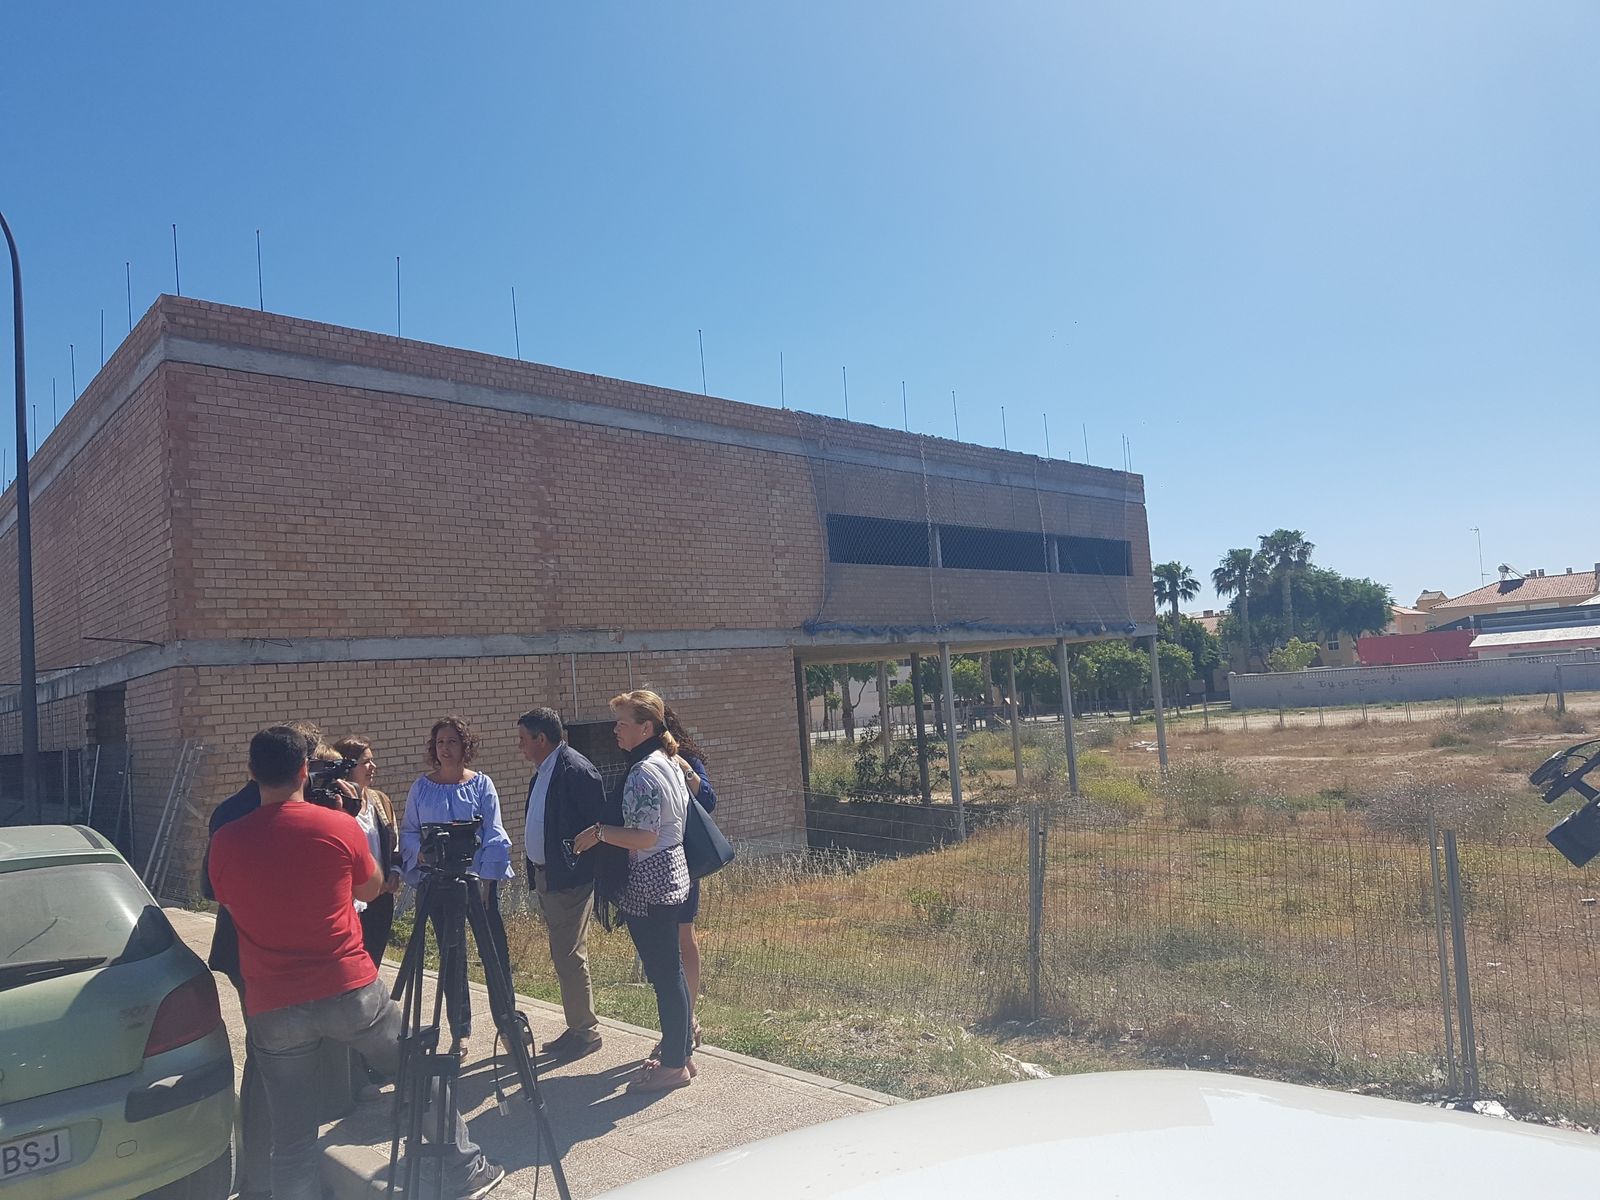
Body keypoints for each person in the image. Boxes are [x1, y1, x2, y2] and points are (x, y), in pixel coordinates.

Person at [209, 726, 504, 1200]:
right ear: (305, 770)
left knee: (292, 1138)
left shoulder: (226, 838)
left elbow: (225, 898)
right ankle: (463, 1164)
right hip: (347, 986)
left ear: (250, 772)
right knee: (416, 1066)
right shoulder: (338, 825)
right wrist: (344, 821)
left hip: (272, 1001)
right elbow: (369, 889)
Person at [200, 717, 324, 1200]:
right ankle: (261, 1176)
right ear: (302, 768)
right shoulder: (306, 814)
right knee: (273, 1059)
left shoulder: (225, 812)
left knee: (271, 1054)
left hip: (247, 951)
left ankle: (269, 1168)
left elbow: (211, 888)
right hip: (271, 955)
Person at [572, 689, 694, 1094]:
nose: (615, 730)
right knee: (670, 971)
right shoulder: (667, 761)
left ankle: (674, 1063)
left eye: (623, 723)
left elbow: (643, 837)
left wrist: (599, 834)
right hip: (671, 870)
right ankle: (681, 1054)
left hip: (651, 876)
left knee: (664, 974)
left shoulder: (643, 770)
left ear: (646, 727)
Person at [399, 715, 514, 1058]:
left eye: (451, 741)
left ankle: (508, 1025)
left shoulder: (481, 785)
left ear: (465, 746)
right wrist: (419, 853)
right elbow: (408, 830)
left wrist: (486, 877)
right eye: (439, 743)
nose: (445, 749)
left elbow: (494, 832)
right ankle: (459, 1030)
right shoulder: (421, 787)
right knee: (452, 956)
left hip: (476, 881)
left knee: (494, 952)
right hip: (436, 882)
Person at [517, 707, 608, 1062]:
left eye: (524, 740)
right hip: (548, 875)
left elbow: (597, 823)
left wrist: (575, 860)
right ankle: (577, 1027)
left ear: (542, 739)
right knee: (563, 954)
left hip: (570, 879)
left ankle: (585, 1032)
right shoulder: (544, 771)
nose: (520, 747)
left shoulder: (575, 770)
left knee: (568, 955)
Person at [663, 706, 716, 1051]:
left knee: (684, 933)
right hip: (652, 860)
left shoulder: (685, 758)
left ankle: (690, 1017)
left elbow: (709, 800)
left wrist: (686, 771)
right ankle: (677, 1020)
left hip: (683, 857)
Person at [333, 735, 403, 966]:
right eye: (365, 762)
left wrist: (394, 871)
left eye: (372, 761)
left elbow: (394, 842)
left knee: (372, 964)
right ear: (348, 766)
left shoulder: (380, 801)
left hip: (380, 899)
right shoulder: (335, 803)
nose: (372, 767)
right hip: (349, 900)